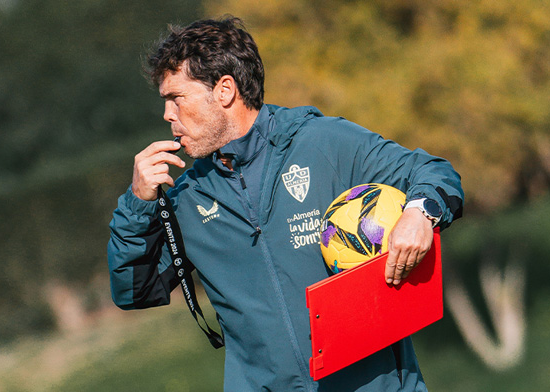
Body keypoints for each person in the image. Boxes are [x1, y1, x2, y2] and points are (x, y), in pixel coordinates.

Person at [107, 17, 463, 391]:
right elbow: (134, 290)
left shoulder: (324, 142)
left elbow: (435, 173)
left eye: (176, 98)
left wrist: (420, 212)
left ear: (225, 90)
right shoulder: (187, 199)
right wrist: (137, 203)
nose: (167, 115)